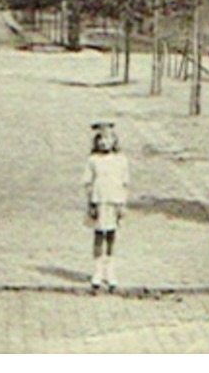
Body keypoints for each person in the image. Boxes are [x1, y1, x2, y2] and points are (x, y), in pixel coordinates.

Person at [83, 122, 130, 291]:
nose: (104, 142)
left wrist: (122, 204)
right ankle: (97, 271)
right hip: (99, 201)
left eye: (108, 139)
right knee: (98, 235)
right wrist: (91, 204)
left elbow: (124, 183)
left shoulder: (121, 160)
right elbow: (88, 184)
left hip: (114, 201)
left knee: (111, 235)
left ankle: (110, 271)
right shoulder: (93, 160)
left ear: (114, 141)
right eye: (100, 139)